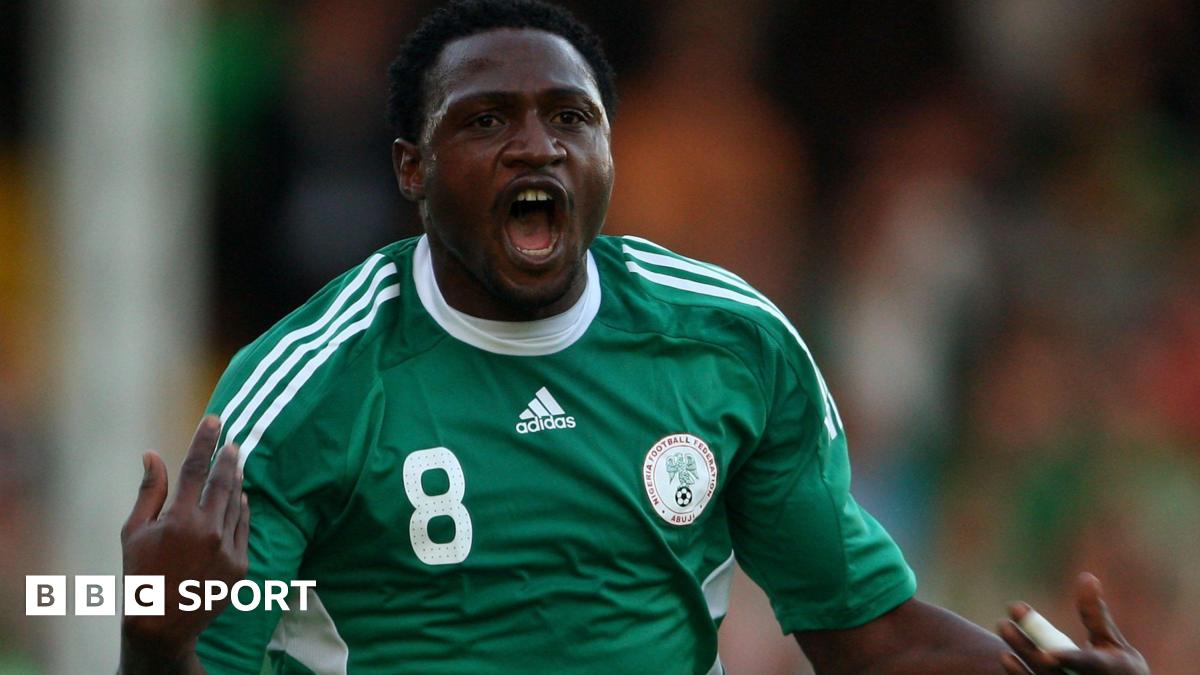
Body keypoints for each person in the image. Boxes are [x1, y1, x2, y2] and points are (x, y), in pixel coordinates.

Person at [117, 1, 1151, 673]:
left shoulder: (728, 343)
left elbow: (869, 632)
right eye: (486, 121)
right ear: (410, 170)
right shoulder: (308, 384)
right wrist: (155, 635)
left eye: (571, 117)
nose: (537, 145)